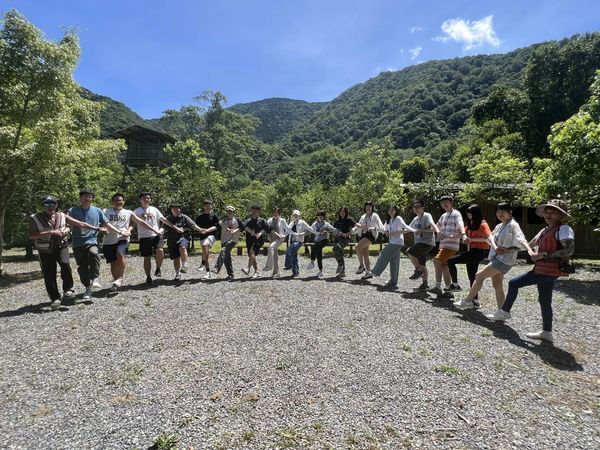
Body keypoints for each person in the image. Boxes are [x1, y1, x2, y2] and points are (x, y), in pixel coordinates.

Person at [488, 199, 575, 343]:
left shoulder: (564, 229)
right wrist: (508, 250)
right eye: (547, 211)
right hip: (543, 269)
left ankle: (504, 312)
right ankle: (547, 332)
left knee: (514, 283)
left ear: (561, 215)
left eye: (553, 212)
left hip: (549, 269)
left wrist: (543, 255)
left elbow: (569, 249)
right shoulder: (544, 230)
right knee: (544, 300)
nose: (549, 214)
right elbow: (528, 245)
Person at [453, 203, 534, 310]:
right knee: (497, 285)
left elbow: (521, 240)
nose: (500, 214)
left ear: (510, 212)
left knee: (479, 276)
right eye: (498, 212)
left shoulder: (513, 225)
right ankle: (503, 311)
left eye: (503, 211)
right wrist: (495, 247)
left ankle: (467, 301)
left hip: (504, 260)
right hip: (497, 258)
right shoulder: (499, 226)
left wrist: (530, 251)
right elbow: (489, 238)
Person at [28, 196, 96, 308]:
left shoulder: (62, 215)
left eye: (52, 204)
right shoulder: (35, 218)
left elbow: (77, 224)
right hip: (45, 249)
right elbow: (31, 235)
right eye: (47, 204)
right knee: (49, 273)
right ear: (43, 205)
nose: (50, 207)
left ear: (56, 205)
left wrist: (96, 228)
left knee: (65, 265)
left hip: (61, 246)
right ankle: (55, 298)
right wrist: (51, 232)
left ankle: (68, 290)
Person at [68, 189, 123, 299]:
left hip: (92, 240)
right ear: (80, 198)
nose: (87, 198)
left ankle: (95, 278)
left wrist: (119, 231)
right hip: (78, 242)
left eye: (90, 196)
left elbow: (106, 223)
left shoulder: (97, 210)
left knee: (94, 253)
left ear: (92, 198)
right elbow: (68, 221)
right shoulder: (72, 210)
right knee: (82, 267)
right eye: (85, 196)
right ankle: (88, 289)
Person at [103, 193, 161, 292]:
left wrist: (154, 230)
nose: (118, 202)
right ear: (113, 202)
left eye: (120, 200)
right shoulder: (105, 211)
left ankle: (120, 278)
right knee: (113, 263)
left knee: (120, 254)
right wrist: (102, 229)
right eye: (116, 200)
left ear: (124, 202)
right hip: (108, 240)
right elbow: (101, 222)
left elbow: (141, 222)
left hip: (123, 238)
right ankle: (116, 282)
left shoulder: (128, 212)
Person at [133, 192, 183, 285]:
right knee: (147, 258)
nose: (146, 200)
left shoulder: (154, 209)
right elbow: (132, 223)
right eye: (144, 198)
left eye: (148, 198)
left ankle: (158, 268)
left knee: (160, 251)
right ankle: (148, 277)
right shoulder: (136, 211)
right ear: (140, 200)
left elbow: (163, 219)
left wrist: (175, 227)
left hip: (157, 235)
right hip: (144, 237)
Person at [446, 204, 492, 304]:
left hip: (478, 252)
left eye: (470, 215)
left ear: (476, 214)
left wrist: (471, 239)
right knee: (472, 277)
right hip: (471, 251)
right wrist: (447, 237)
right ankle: (475, 300)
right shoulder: (471, 224)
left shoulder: (483, 224)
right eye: (468, 215)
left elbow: (487, 238)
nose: (469, 217)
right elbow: (461, 234)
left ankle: (455, 284)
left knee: (450, 261)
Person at [364, 205, 414, 288]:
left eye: (393, 210)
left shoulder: (398, 218)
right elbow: (383, 229)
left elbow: (407, 228)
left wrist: (399, 232)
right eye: (390, 210)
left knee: (383, 253)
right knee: (394, 262)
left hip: (397, 242)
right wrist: (379, 230)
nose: (391, 211)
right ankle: (393, 281)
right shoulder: (388, 220)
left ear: (396, 211)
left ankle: (374, 272)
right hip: (392, 242)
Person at [428, 195, 466, 297]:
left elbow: (461, 225)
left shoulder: (456, 214)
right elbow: (437, 226)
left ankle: (437, 287)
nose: (445, 204)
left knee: (436, 261)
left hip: (451, 245)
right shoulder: (444, 215)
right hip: (443, 245)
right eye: (442, 203)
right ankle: (449, 290)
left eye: (447, 202)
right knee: (445, 267)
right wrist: (438, 233)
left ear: (451, 202)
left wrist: (463, 234)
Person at [165, 204, 204, 281]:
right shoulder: (168, 218)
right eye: (174, 208)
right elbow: (163, 227)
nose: (176, 210)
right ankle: (177, 274)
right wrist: (158, 231)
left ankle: (184, 266)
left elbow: (193, 225)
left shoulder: (185, 217)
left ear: (180, 209)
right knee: (176, 258)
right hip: (172, 240)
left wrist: (200, 230)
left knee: (182, 247)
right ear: (171, 210)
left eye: (178, 208)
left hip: (184, 237)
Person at [406, 200, 439, 292]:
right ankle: (425, 284)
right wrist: (397, 232)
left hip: (427, 243)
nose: (416, 209)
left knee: (409, 251)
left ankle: (418, 270)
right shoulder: (415, 219)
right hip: (419, 243)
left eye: (418, 206)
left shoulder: (427, 215)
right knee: (422, 263)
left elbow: (433, 227)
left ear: (422, 208)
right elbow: (408, 228)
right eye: (414, 207)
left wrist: (436, 231)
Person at [354, 201, 385, 278]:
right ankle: (368, 272)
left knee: (357, 247)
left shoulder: (375, 216)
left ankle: (361, 266)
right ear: (365, 207)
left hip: (371, 235)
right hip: (363, 235)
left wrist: (374, 228)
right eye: (367, 206)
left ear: (372, 207)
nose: (368, 207)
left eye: (370, 206)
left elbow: (381, 227)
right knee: (365, 254)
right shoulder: (363, 216)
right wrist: (349, 232)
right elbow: (358, 226)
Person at [213, 206, 245, 281]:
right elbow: (216, 226)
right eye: (228, 211)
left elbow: (243, 227)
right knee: (227, 258)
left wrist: (235, 230)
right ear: (226, 212)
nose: (229, 212)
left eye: (231, 211)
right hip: (224, 240)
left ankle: (216, 268)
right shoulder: (223, 221)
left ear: (234, 212)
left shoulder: (237, 220)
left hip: (233, 240)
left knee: (223, 251)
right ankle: (231, 275)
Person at [284, 210, 317, 278]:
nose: (295, 216)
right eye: (294, 215)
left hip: (298, 241)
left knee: (289, 251)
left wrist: (317, 233)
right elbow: (287, 231)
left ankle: (289, 265)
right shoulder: (291, 223)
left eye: (297, 215)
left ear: (299, 216)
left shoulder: (302, 222)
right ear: (292, 216)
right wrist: (282, 236)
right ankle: (295, 272)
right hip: (291, 241)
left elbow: (309, 229)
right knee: (294, 256)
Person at [306, 210, 337, 278]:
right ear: (317, 216)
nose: (320, 217)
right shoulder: (314, 224)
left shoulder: (326, 224)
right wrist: (301, 234)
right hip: (316, 241)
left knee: (319, 249)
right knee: (314, 246)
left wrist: (340, 232)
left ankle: (320, 270)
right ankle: (312, 262)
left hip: (324, 240)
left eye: (321, 215)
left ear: (324, 216)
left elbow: (333, 229)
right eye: (318, 215)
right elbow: (309, 231)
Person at [242, 205, 271, 278]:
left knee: (252, 252)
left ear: (259, 212)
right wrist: (250, 231)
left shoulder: (262, 220)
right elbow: (242, 226)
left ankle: (248, 268)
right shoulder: (248, 220)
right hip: (249, 240)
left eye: (255, 211)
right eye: (253, 210)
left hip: (258, 240)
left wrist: (260, 233)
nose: (254, 212)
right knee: (252, 256)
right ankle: (257, 271)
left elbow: (266, 229)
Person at [195, 199, 220, 278]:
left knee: (205, 245)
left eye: (209, 205)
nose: (207, 207)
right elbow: (195, 226)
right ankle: (208, 272)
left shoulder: (214, 216)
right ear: (203, 207)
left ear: (211, 206)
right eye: (206, 205)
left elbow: (218, 226)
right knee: (205, 253)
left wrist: (207, 230)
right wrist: (200, 230)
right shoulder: (200, 217)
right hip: (202, 236)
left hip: (211, 236)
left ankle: (202, 262)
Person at [263, 207, 289, 278]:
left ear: (279, 214)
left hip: (279, 239)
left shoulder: (282, 220)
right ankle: (276, 272)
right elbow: (265, 227)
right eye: (274, 213)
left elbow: (288, 229)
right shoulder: (270, 220)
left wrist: (283, 235)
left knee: (271, 248)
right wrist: (259, 233)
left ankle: (269, 266)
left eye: (276, 213)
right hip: (272, 239)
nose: (275, 214)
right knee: (275, 255)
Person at [332, 206, 356, 278]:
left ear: (346, 212)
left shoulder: (349, 220)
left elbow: (356, 226)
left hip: (345, 239)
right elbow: (334, 230)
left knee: (335, 249)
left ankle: (340, 265)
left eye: (344, 211)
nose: (342, 213)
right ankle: (342, 272)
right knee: (340, 253)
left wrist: (348, 233)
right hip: (338, 239)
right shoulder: (337, 221)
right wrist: (338, 233)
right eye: (341, 211)